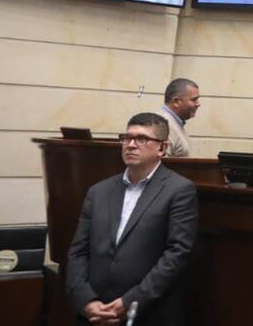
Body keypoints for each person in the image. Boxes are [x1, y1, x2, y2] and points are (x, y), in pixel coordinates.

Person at [66, 113, 197, 325]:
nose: (131, 145)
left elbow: (177, 254)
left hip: (147, 314)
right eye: (127, 138)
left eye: (142, 139)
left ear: (162, 148)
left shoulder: (179, 190)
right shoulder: (98, 191)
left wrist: (130, 302)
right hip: (96, 313)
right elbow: (78, 251)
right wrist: (86, 300)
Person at [159, 78, 200, 158]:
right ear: (176, 102)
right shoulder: (163, 125)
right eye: (194, 100)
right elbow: (159, 162)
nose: (198, 104)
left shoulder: (173, 123)